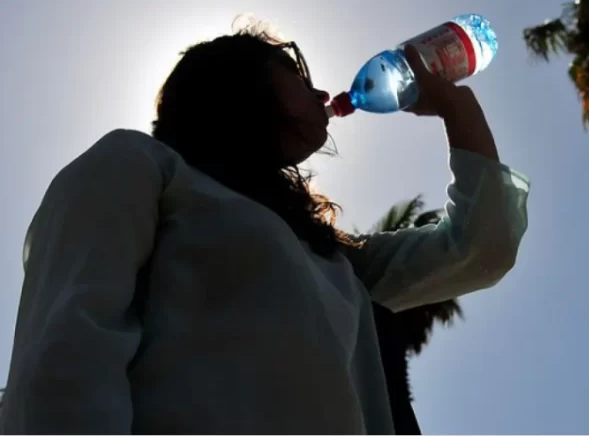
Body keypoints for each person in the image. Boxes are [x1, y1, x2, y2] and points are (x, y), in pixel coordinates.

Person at [0, 22, 529, 434]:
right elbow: (66, 356)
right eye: (298, 76)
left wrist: (455, 107)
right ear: (241, 85)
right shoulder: (139, 166)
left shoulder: (334, 261)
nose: (322, 92)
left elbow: (481, 246)